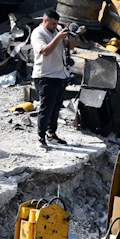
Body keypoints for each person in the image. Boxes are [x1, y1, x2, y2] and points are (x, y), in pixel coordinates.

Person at [30, 10, 78, 150]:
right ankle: (40, 137)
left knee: (56, 108)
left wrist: (70, 38)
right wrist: (57, 37)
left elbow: (71, 47)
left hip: (60, 75)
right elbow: (45, 51)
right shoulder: (38, 33)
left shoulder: (56, 30)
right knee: (46, 108)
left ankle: (52, 134)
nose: (55, 26)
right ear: (45, 21)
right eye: (52, 23)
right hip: (45, 76)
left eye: (57, 23)